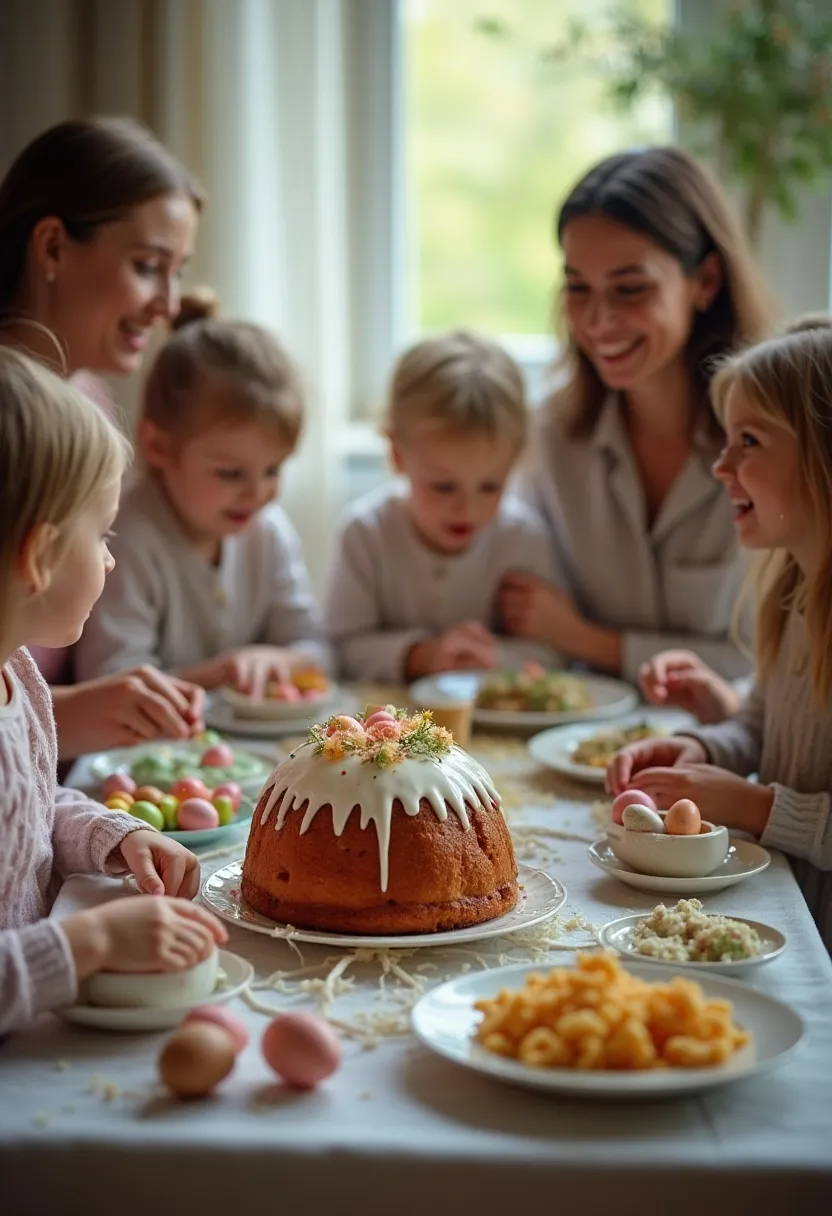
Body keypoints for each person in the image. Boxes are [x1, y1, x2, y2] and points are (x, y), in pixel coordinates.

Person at [0, 348, 226, 1035]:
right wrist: (88, 943)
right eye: (100, 535)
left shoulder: (18, 675)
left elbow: (29, 815)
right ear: (38, 557)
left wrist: (114, 835)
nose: (110, 557)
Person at [501, 146, 777, 684]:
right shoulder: (549, 436)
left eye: (631, 289)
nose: (598, 320)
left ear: (706, 281)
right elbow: (527, 621)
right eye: (578, 287)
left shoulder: (778, 443)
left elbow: (772, 663)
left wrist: (590, 640)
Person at [607, 323, 832, 950]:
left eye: (749, 441)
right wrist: (697, 750)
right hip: (787, 909)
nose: (720, 465)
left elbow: (766, 795)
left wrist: (756, 807)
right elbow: (757, 729)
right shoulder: (791, 595)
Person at [0, 115, 206, 755]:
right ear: (54, 247)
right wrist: (72, 715)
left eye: (179, 272)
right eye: (148, 266)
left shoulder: (89, 399)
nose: (170, 304)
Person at [76, 291, 329, 700]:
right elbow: (110, 680)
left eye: (273, 469)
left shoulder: (268, 532)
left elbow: (317, 646)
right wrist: (220, 674)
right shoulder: (126, 540)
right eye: (231, 473)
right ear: (158, 447)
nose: (258, 492)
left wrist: (281, 660)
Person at [326, 329, 565, 682]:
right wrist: (422, 656)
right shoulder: (365, 534)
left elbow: (552, 653)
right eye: (443, 486)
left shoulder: (524, 538)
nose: (467, 509)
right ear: (397, 454)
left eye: (490, 486)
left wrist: (496, 657)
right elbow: (341, 648)